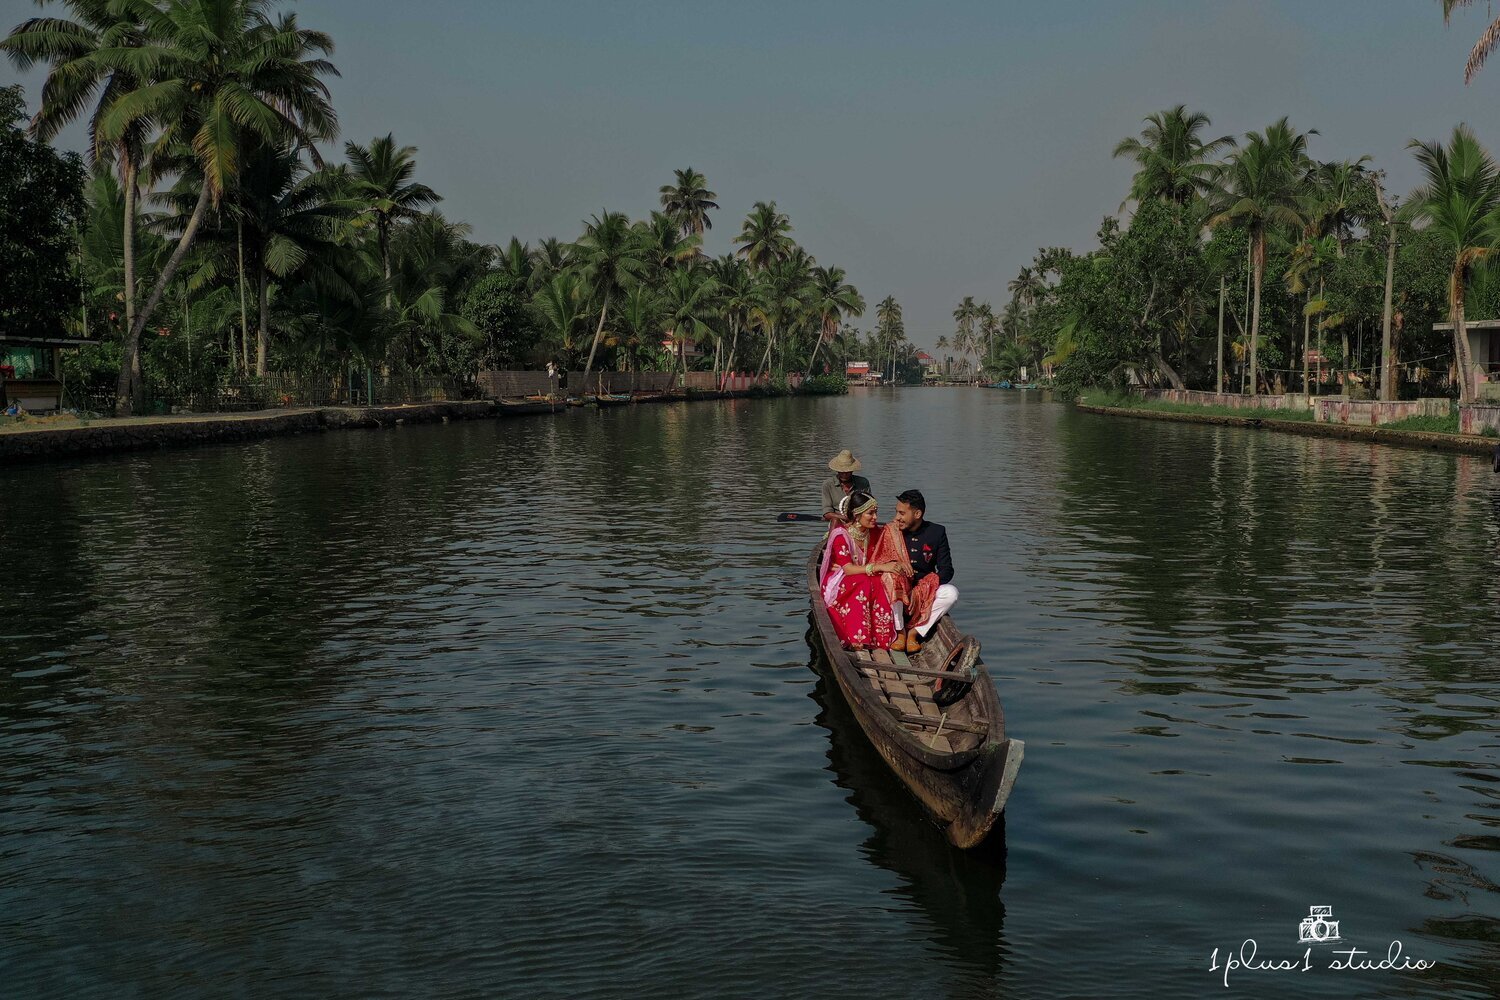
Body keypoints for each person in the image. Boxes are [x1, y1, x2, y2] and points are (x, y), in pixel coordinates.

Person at [818, 491, 901, 649]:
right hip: (841, 578)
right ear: (856, 515)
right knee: (864, 582)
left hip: (865, 575)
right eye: (870, 513)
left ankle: (881, 638)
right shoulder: (841, 536)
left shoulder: (875, 532)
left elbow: (891, 539)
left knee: (880, 582)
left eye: (876, 512)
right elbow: (848, 570)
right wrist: (880, 567)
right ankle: (858, 637)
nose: (875, 517)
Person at [888, 489, 957, 653]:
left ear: (917, 513)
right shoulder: (893, 531)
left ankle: (915, 632)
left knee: (951, 593)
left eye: (902, 513)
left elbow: (947, 570)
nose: (897, 517)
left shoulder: (937, 532)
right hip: (898, 590)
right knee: (890, 579)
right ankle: (900, 632)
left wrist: (926, 587)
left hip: (924, 590)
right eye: (897, 512)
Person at [821, 450, 871, 525]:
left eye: (847, 471)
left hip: (859, 523)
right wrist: (846, 518)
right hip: (836, 523)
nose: (844, 474)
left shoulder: (863, 483)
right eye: (841, 471)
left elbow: (869, 507)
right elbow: (827, 513)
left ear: (852, 470)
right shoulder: (828, 485)